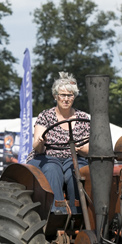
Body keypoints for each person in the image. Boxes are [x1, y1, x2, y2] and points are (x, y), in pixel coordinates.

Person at [28, 72, 91, 214]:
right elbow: (37, 147)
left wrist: (80, 149)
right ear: (55, 96)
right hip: (46, 157)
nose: (66, 99)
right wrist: (41, 142)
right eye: (62, 95)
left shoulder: (82, 117)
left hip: (73, 157)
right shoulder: (46, 116)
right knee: (52, 168)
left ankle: (79, 212)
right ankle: (57, 212)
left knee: (78, 170)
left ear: (74, 97)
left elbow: (88, 149)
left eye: (70, 95)